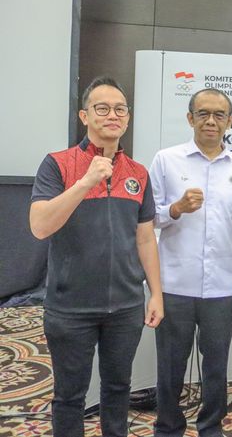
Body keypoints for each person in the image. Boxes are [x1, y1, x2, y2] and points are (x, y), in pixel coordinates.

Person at [29, 76, 164, 437]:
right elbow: (40, 226)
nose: (112, 115)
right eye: (102, 108)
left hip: (125, 307)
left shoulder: (138, 174)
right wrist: (85, 182)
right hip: (70, 307)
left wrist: (156, 295)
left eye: (120, 109)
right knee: (70, 396)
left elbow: (146, 239)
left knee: (118, 390)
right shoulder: (57, 165)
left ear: (128, 117)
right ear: (84, 116)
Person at [149, 88, 232, 437]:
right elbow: (147, 221)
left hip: (222, 285)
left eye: (219, 115)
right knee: (170, 364)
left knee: (216, 365)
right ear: (190, 117)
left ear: (230, 121)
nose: (211, 121)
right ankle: (168, 427)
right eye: (203, 113)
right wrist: (175, 209)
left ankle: (211, 426)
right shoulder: (167, 160)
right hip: (174, 282)